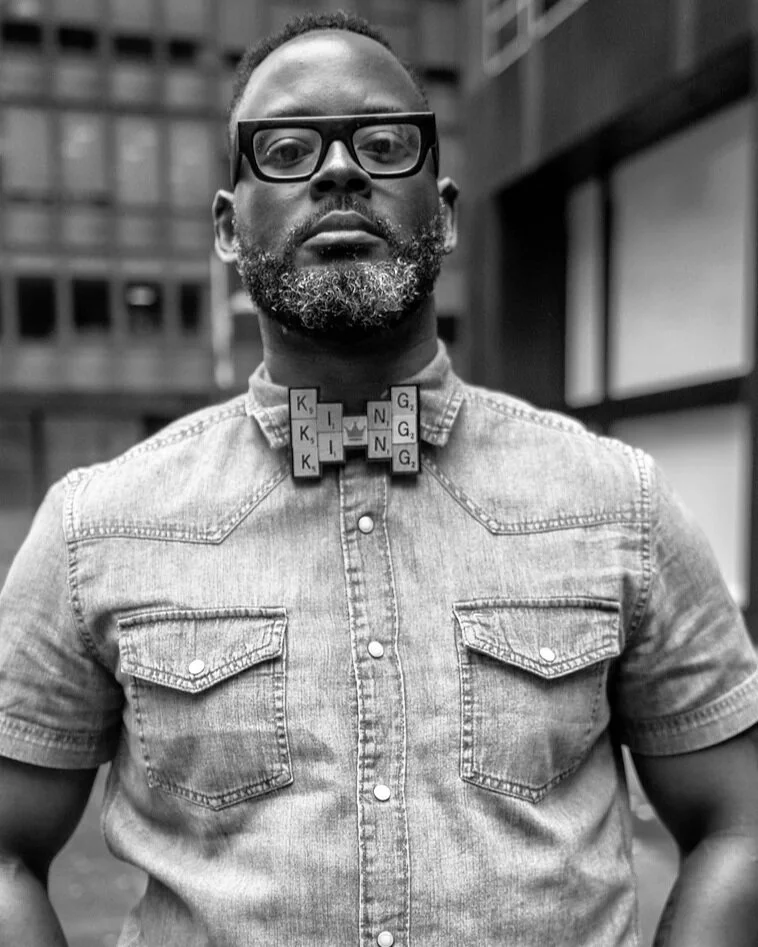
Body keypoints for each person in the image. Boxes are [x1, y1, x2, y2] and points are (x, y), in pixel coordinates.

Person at [1, 10, 758, 946]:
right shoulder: (95, 527)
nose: (338, 170)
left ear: (444, 212)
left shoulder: (620, 502)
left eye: (385, 144)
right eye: (286, 150)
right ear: (229, 229)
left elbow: (740, 823)